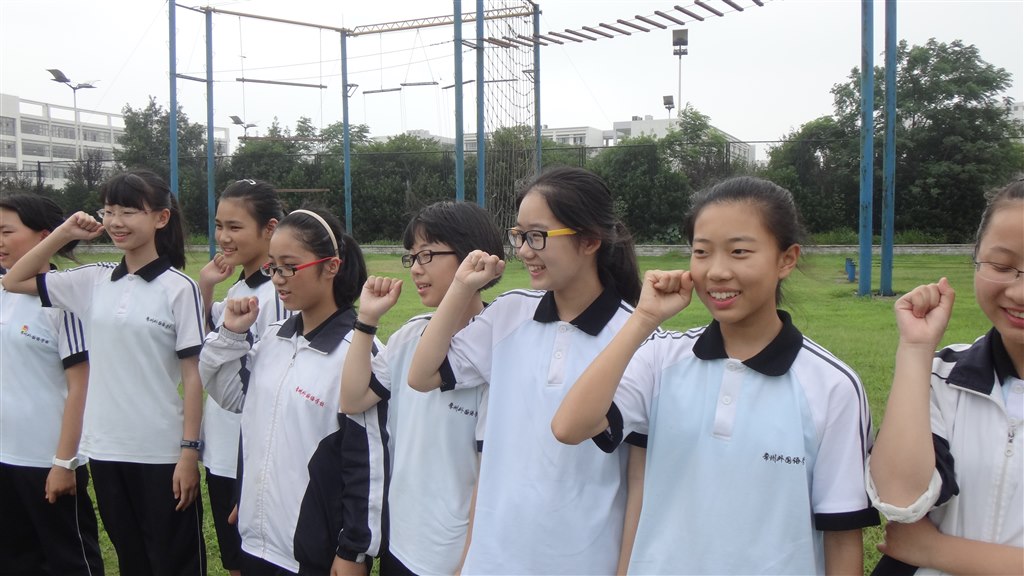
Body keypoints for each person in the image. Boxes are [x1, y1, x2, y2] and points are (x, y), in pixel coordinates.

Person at [551, 176, 879, 574]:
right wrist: (644, 319)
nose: (717, 272)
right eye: (702, 252)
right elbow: (570, 426)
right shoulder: (661, 358)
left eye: (739, 252)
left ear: (786, 259)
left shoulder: (832, 386)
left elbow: (842, 536)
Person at [407, 166, 644, 574]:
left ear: (590, 241)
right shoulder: (511, 313)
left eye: (538, 236)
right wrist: (462, 286)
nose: (524, 251)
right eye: (519, 235)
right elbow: (422, 375)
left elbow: (640, 479)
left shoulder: (636, 337)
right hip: (492, 561)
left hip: (581, 562)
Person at [2, 170, 207, 575]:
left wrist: (188, 452)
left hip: (161, 451)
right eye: (109, 211)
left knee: (175, 563)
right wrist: (64, 233)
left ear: (161, 218)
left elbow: (193, 375)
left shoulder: (178, 288)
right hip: (105, 451)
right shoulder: (92, 280)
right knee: (132, 560)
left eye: (129, 211)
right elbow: (14, 279)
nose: (116, 221)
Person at [199, 208, 385, 576]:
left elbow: (369, 461)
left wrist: (354, 550)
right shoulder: (272, 338)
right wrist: (232, 334)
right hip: (256, 541)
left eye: (289, 267)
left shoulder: (359, 352)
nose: (277, 279)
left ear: (331, 267)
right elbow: (233, 399)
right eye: (272, 267)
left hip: (312, 554)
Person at [867, 179, 1024, 575]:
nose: (1019, 292)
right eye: (1002, 267)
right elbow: (899, 498)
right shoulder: (944, 376)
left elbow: (913, 539)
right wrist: (916, 349)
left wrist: (935, 550)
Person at [339, 201, 505, 575]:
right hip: (399, 542)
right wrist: (366, 320)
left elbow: (490, 475)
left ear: (472, 256)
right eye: (412, 257)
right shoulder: (410, 336)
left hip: (451, 556)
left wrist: (468, 563)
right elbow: (352, 399)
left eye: (427, 254)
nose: (415, 268)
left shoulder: (496, 350)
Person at [0, 193, 103, 575]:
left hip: (45, 461)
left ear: (46, 236)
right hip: (5, 458)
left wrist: (64, 462)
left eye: (7, 231)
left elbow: (81, 387)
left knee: (69, 561)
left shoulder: (63, 301)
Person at [197, 179, 289, 576]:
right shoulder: (240, 286)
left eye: (235, 227)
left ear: (270, 229)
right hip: (221, 451)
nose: (223, 237)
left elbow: (276, 388)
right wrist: (206, 286)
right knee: (236, 563)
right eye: (219, 226)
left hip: (250, 457)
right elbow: (209, 347)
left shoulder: (280, 295)